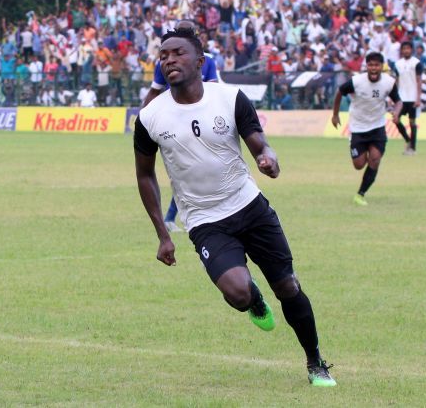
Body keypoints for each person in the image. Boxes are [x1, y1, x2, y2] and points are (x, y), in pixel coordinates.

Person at [134, 26, 336, 387]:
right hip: (205, 221)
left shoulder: (230, 98)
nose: (169, 60)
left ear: (200, 60)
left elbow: (259, 143)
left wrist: (268, 158)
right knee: (238, 292)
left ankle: (315, 362)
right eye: (163, 56)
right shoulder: (150, 117)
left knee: (288, 286)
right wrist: (163, 233)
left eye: (177, 53)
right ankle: (253, 299)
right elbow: (145, 175)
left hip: (249, 206)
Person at [142, 20, 219, 234]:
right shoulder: (169, 62)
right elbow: (155, 90)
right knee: (188, 171)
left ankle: (177, 217)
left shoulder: (204, 60)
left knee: (190, 171)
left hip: (196, 122)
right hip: (178, 122)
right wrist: (142, 121)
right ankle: (178, 217)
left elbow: (213, 91)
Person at [332, 52, 402, 206]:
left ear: (382, 67)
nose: (373, 68)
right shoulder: (357, 81)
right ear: (367, 66)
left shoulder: (389, 82)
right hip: (357, 127)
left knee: (375, 159)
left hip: (377, 127)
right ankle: (357, 152)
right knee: (358, 165)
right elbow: (339, 92)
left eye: (377, 65)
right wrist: (335, 115)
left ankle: (360, 194)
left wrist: (396, 113)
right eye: (370, 65)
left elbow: (398, 101)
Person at [391, 41, 423, 155]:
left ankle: (412, 148)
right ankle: (408, 140)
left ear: (411, 49)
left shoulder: (416, 63)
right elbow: (397, 81)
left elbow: (419, 81)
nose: (406, 50)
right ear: (401, 50)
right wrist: (393, 97)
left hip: (413, 97)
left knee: (412, 123)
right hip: (401, 98)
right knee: (395, 119)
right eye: (404, 48)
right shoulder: (397, 64)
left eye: (408, 48)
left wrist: (418, 98)